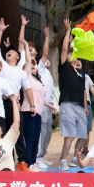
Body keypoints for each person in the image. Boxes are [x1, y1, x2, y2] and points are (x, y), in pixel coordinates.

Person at [0, 17, 37, 168]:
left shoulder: (21, 72)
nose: (9, 52)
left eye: (12, 51)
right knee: (4, 133)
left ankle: (22, 162)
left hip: (15, 105)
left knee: (18, 133)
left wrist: (32, 105)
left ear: (18, 57)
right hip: (1, 103)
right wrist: (0, 31)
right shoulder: (2, 66)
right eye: (8, 52)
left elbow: (28, 89)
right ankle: (8, 162)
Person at [58, 18, 88, 171]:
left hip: (80, 107)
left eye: (74, 54)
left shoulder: (81, 73)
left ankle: (75, 159)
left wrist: (85, 107)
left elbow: (83, 91)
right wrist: (68, 31)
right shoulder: (65, 67)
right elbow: (64, 50)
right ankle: (63, 160)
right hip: (68, 104)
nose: (72, 56)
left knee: (83, 135)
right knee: (70, 135)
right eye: (70, 54)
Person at [19, 39, 46, 170]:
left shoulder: (37, 81)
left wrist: (51, 107)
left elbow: (41, 97)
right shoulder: (27, 77)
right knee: (30, 139)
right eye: (30, 65)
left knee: (36, 139)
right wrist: (25, 45)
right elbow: (28, 61)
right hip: (28, 109)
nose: (32, 66)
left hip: (38, 112)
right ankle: (29, 163)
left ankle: (33, 162)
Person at [35, 28, 59, 170]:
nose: (47, 60)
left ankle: (42, 155)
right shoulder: (40, 68)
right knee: (42, 131)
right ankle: (37, 157)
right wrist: (46, 37)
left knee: (48, 132)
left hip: (49, 104)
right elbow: (45, 53)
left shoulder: (47, 73)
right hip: (42, 104)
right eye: (45, 60)